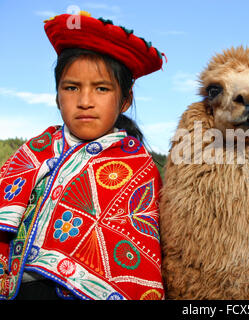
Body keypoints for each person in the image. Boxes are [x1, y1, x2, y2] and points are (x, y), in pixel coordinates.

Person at [0, 11, 165, 300]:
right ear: (57, 96)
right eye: (72, 88)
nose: (85, 101)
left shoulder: (139, 168)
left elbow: (143, 246)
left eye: (102, 89)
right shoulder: (36, 149)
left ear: (125, 100)